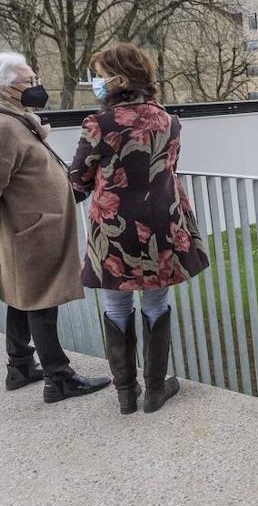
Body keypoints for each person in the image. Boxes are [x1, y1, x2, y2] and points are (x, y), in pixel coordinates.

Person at [70, 42, 209, 415]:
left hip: (115, 228)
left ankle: (126, 394)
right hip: (163, 222)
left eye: (100, 75)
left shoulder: (99, 124)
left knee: (116, 303)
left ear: (118, 79)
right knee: (156, 300)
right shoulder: (170, 120)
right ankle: (155, 390)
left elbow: (79, 178)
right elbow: (169, 167)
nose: (96, 82)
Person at [0, 52, 110, 402]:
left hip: (29, 226)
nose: (36, 86)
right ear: (5, 88)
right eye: (28, 82)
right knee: (42, 302)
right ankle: (58, 378)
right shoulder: (2, 126)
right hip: (32, 230)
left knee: (21, 297)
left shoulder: (11, 118)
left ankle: (19, 366)